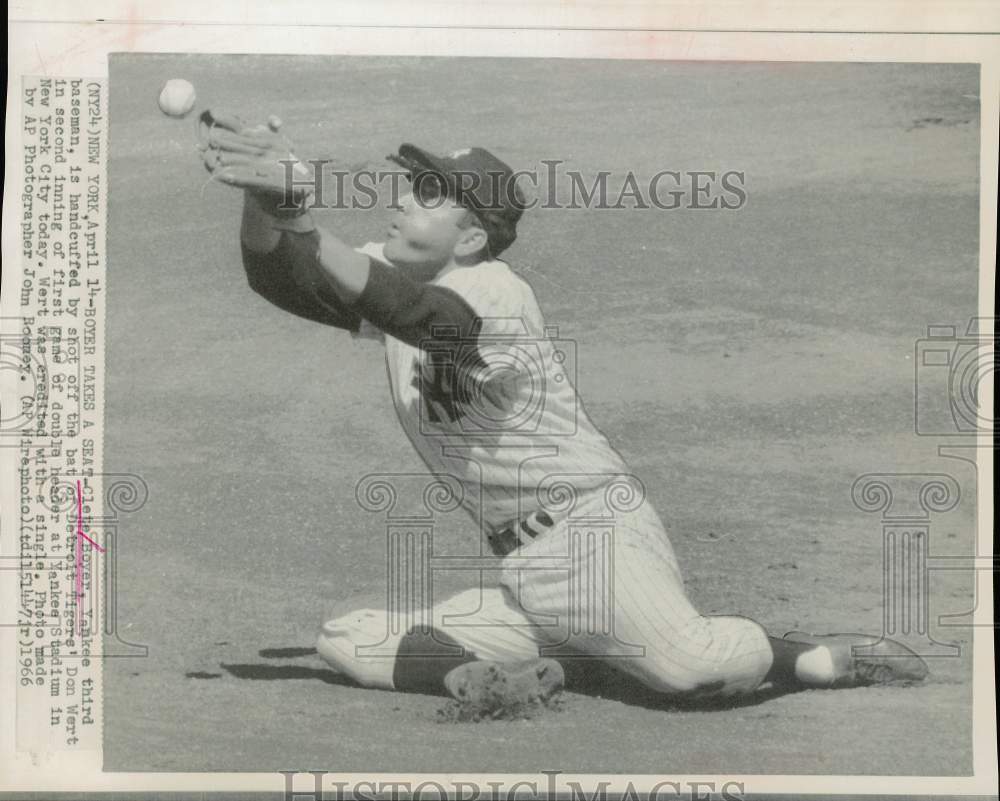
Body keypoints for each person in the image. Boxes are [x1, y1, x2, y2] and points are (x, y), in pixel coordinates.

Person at [200, 112, 929, 715]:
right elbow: (283, 280)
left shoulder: (495, 292)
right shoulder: (391, 279)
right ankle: (488, 678)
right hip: (528, 571)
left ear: (474, 236)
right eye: (411, 184)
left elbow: (424, 317)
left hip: (594, 537)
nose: (401, 199)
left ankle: (801, 651)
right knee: (345, 638)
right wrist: (266, 206)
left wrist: (301, 216)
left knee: (685, 670)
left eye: (429, 193)